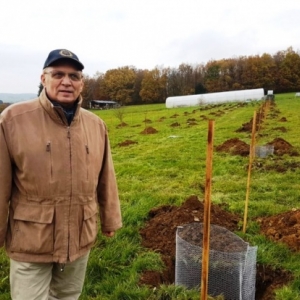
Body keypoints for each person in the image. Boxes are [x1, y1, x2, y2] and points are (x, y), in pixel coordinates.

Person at [0, 49, 122, 300]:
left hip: (79, 235)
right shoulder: (13, 120)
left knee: (68, 296)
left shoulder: (96, 125)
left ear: (81, 84)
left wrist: (110, 219)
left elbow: (106, 177)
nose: (66, 81)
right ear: (43, 79)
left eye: (74, 76)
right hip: (31, 238)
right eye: (58, 74)